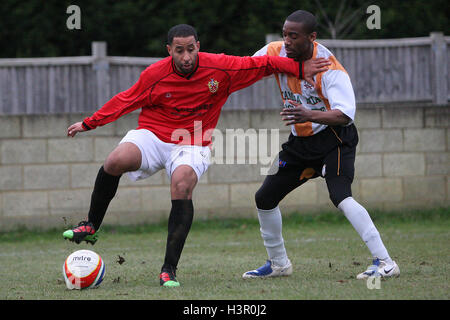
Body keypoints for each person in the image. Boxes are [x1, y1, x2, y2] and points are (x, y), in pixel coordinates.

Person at [63, 24, 330, 287]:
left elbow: (260, 65)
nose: (186, 56)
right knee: (114, 160)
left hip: (193, 142)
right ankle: (91, 225)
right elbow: (125, 100)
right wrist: (89, 123)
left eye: (191, 49)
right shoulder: (154, 75)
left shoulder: (219, 67)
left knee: (181, 183)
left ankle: (168, 270)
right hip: (154, 135)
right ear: (170, 51)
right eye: (179, 51)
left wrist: (298, 68)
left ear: (198, 46)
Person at [242, 10, 400, 280]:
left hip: (334, 138)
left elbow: (345, 114)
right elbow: (246, 69)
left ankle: (385, 262)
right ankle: (279, 264)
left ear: (312, 37)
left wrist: (309, 114)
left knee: (340, 196)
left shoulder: (329, 68)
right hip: (300, 144)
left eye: (294, 36)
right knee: (265, 198)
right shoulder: (276, 52)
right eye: (285, 35)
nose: (287, 41)